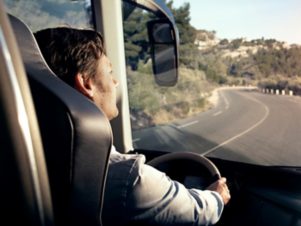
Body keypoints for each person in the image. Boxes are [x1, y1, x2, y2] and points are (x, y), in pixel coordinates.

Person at [34, 27, 230, 226]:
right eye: (109, 71)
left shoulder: (26, 159)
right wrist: (216, 196)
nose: (116, 82)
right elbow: (198, 211)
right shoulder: (128, 178)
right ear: (86, 83)